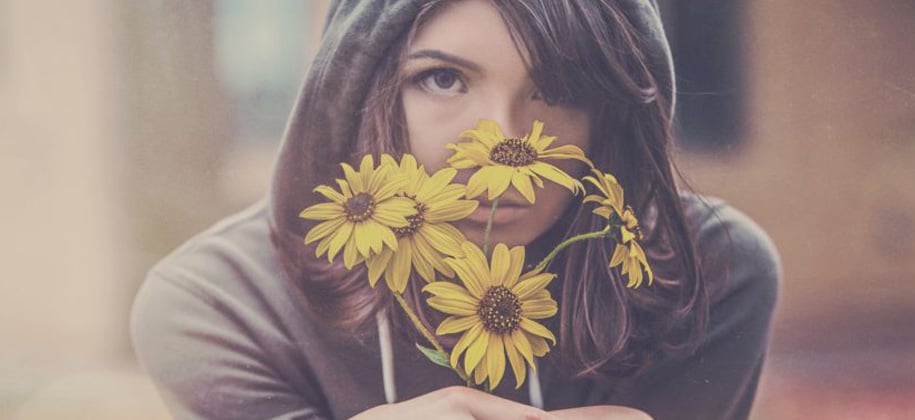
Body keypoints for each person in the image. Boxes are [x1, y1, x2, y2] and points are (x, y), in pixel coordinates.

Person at [130, 0, 781, 419]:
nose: (502, 143)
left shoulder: (709, 274)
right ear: (357, 91)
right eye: (442, 79)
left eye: (557, 90)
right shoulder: (216, 308)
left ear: (610, 115)